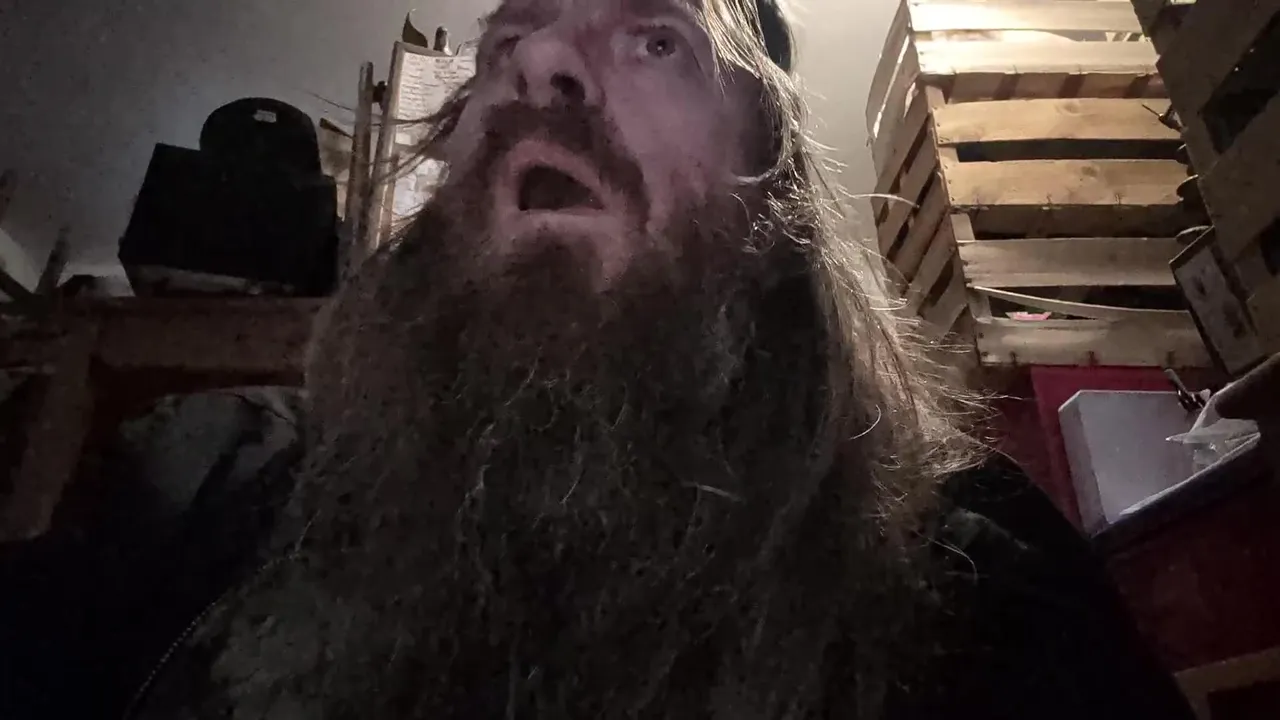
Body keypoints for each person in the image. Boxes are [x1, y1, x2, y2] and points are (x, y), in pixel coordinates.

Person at [128, 0, 1195, 717]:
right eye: (508, 41)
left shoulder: (969, 596)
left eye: (655, 40)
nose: (539, 60)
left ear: (769, 200)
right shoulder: (213, 491)